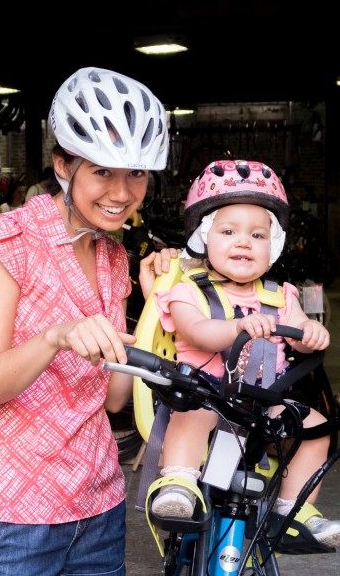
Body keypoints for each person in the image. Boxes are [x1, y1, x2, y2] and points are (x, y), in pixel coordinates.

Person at [0, 66, 177, 576]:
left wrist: (154, 302)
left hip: (98, 505)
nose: (122, 192)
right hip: (11, 518)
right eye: (102, 172)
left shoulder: (113, 255)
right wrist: (54, 338)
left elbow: (114, 398)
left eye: (136, 173)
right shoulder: (7, 240)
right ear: (62, 165)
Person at [144, 159, 340, 547]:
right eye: (229, 231)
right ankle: (179, 483)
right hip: (205, 394)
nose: (243, 242)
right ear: (204, 238)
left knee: (317, 427)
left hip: (262, 402)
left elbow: (299, 333)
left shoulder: (280, 295)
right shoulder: (190, 291)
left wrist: (311, 333)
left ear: (274, 245)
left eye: (257, 235)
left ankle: (292, 507)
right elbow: (197, 331)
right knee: (191, 414)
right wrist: (236, 327)